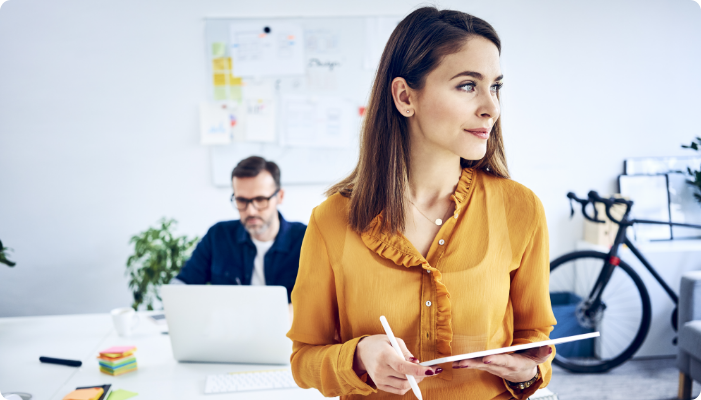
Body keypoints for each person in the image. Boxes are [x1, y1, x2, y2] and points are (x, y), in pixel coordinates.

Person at [287, 7, 556, 400]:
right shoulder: (331, 221)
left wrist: (527, 369)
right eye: (468, 85)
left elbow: (536, 343)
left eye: (495, 86)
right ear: (404, 96)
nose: (491, 107)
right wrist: (359, 357)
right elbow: (303, 360)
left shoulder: (521, 209)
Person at [173, 156, 306, 304]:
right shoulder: (218, 236)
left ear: (280, 196)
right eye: (241, 200)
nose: (251, 211)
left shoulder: (306, 240)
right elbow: (182, 285)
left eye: (260, 200)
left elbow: (321, 302)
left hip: (288, 327)